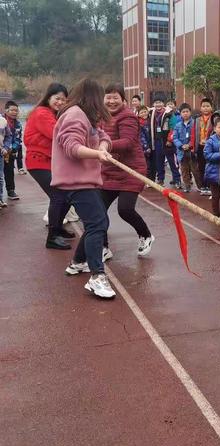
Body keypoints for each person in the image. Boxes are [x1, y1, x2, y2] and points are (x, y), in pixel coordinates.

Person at [51, 78, 116, 299]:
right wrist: (97, 154)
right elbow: (71, 147)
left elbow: (103, 136)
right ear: (93, 97)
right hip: (75, 182)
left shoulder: (88, 118)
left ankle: (78, 262)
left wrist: (103, 147)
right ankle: (97, 276)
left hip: (85, 180)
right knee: (98, 222)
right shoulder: (74, 114)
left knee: (98, 222)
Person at [100, 83, 155, 258]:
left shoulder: (128, 117)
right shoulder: (101, 115)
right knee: (97, 210)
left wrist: (104, 145)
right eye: (108, 97)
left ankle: (146, 235)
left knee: (124, 209)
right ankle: (103, 248)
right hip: (109, 171)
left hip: (131, 170)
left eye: (115, 97)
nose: (111, 101)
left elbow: (127, 142)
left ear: (123, 99)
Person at [24, 82, 74, 249]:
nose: (60, 102)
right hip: (38, 161)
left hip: (48, 161)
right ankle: (52, 237)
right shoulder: (42, 113)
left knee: (65, 196)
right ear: (48, 97)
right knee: (59, 195)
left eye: (63, 100)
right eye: (57, 98)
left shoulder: (52, 113)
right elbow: (58, 134)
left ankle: (58, 229)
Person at [149, 95, 181, 188]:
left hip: (167, 141)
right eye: (156, 102)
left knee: (171, 161)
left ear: (163, 103)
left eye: (160, 102)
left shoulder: (169, 113)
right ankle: (160, 179)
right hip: (157, 141)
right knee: (159, 161)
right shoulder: (151, 113)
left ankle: (177, 179)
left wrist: (169, 140)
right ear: (153, 104)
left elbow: (173, 127)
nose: (158, 104)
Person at [173, 103, 203, 193]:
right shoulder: (178, 125)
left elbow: (196, 136)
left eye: (187, 111)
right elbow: (175, 138)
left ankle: (200, 186)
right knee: (184, 170)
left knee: (195, 169)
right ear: (180, 113)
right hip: (181, 151)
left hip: (192, 151)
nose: (185, 113)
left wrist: (189, 145)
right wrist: (181, 145)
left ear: (190, 112)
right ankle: (187, 186)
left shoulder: (195, 123)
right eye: (183, 112)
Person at [193, 98, 214, 195]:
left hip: (210, 147)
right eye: (203, 106)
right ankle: (203, 186)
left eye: (207, 106)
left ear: (211, 107)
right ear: (200, 108)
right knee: (201, 167)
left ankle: (210, 186)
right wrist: (193, 147)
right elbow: (193, 134)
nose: (205, 108)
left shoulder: (214, 119)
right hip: (200, 146)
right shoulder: (197, 120)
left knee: (210, 166)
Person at [4, 101, 25, 184]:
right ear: (6, 110)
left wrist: (13, 149)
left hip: (11, 152)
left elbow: (18, 138)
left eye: (16, 110)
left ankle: (11, 191)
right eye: (12, 110)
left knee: (10, 173)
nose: (15, 112)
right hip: (2, 149)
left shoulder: (18, 124)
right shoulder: (1, 121)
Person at [138, 105, 154, 182]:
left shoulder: (151, 121)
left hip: (152, 145)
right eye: (141, 112)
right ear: (138, 114)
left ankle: (151, 179)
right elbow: (141, 137)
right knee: (146, 164)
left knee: (152, 163)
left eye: (145, 112)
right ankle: (147, 180)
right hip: (144, 147)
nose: (144, 114)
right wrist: (146, 147)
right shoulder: (139, 124)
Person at [0, 112, 12, 209]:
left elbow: (8, 136)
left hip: (0, 153)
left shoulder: (3, 121)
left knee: (0, 178)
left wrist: (6, 147)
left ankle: (0, 199)